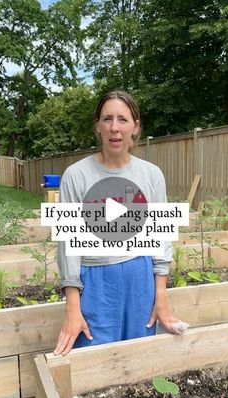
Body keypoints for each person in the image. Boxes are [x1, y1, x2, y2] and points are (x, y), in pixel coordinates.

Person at [54, 90, 188, 356]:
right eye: (107, 119)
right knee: (92, 360)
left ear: (135, 127)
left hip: (141, 278)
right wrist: (72, 308)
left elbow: (160, 239)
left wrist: (160, 298)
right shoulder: (75, 176)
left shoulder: (152, 175)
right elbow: (68, 244)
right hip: (95, 283)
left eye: (123, 119)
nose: (114, 128)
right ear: (97, 125)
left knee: (139, 359)